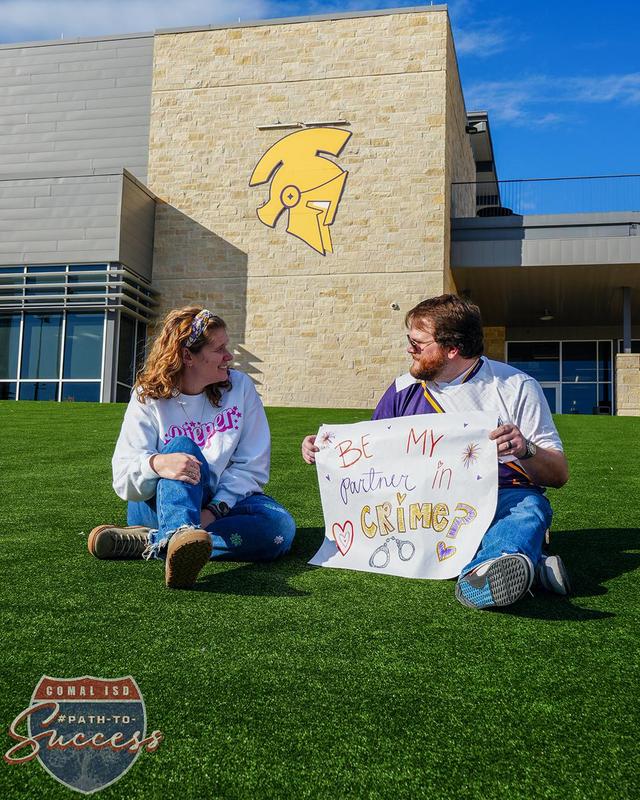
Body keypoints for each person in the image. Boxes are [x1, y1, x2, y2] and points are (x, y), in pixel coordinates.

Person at [301, 294, 570, 610]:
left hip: (502, 495)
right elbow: (369, 456)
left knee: (528, 509)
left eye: (418, 344)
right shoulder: (403, 389)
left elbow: (558, 474)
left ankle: (486, 575)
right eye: (409, 341)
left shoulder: (516, 387)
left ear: (452, 349)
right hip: (422, 501)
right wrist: (326, 450)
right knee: (513, 527)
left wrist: (526, 449)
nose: (408, 350)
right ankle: (529, 561)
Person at [89, 306, 296, 589]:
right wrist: (157, 464)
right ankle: (177, 534)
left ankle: (155, 541)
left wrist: (212, 512)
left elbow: (252, 466)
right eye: (219, 348)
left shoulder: (240, 388)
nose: (229, 356)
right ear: (188, 356)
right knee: (183, 447)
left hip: (221, 503)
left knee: (279, 530)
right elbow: (123, 478)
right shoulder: (147, 396)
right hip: (157, 503)